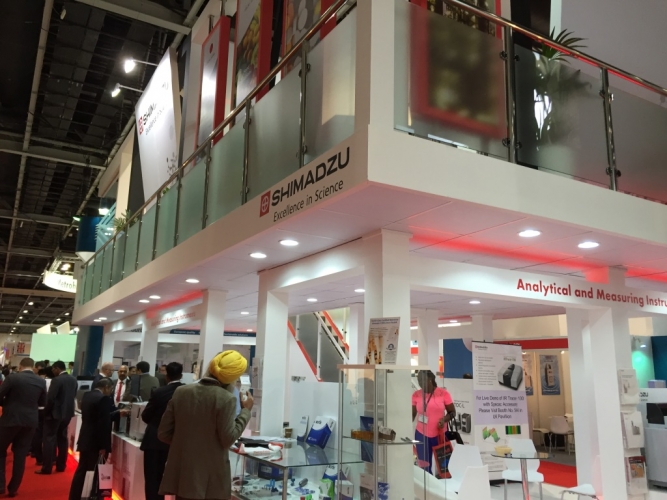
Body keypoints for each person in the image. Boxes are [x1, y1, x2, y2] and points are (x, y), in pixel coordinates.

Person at [158, 351, 253, 500]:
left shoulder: (181, 391)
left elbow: (163, 433)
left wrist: (188, 446)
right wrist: (246, 411)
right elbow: (228, 439)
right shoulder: (226, 399)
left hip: (182, 475)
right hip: (210, 481)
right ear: (233, 378)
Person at [68, 378, 128, 500]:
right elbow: (103, 423)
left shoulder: (87, 395)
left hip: (85, 438)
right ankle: (93, 496)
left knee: (82, 470)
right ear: (106, 387)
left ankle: (75, 496)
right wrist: (103, 446)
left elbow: (96, 416)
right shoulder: (103, 399)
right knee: (95, 472)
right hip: (96, 442)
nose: (110, 392)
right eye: (110, 389)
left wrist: (116, 413)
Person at [0, 357, 46, 497]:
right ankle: (13, 488)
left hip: (10, 419)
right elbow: (42, 402)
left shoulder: (13, 378)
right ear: (33, 367)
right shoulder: (41, 381)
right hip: (30, 421)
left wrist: (6, 404)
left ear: (20, 366)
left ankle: (0, 485)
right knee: (20, 454)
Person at [141, 362, 185, 500]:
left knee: (153, 479)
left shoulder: (159, 392)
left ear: (167, 376)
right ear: (181, 375)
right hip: (178, 442)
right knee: (179, 480)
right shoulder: (188, 392)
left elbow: (146, 416)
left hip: (155, 440)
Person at [38, 361, 78, 475]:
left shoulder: (56, 380)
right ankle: (61, 465)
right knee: (62, 439)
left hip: (54, 414)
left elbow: (50, 399)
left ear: (57, 368)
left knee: (49, 440)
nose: (52, 371)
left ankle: (47, 467)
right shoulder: (73, 379)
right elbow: (73, 396)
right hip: (67, 414)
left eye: (53, 369)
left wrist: (46, 412)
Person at [411, 370, 456, 473]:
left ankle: (441, 482)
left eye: (422, 380)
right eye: (419, 380)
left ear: (430, 380)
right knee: (424, 467)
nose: (420, 383)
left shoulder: (443, 393)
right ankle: (428, 483)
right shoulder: (416, 395)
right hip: (421, 434)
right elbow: (412, 414)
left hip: (440, 434)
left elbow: (452, 412)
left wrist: (444, 419)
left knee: (444, 467)